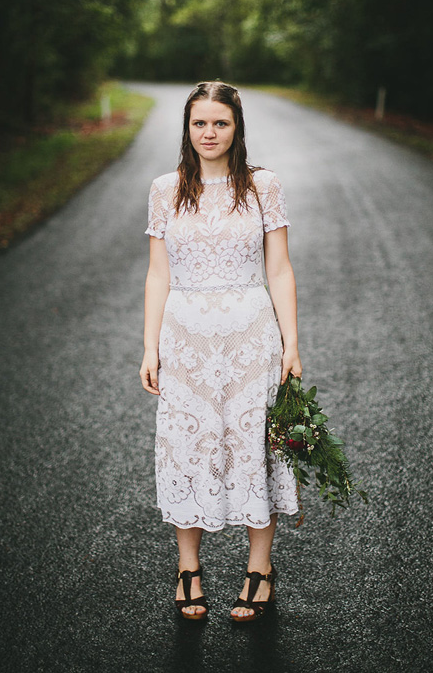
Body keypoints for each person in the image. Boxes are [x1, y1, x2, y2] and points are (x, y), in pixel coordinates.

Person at [140, 81, 302, 623]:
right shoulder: (166, 190)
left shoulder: (262, 186)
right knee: (187, 446)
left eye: (221, 123)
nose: (209, 133)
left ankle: (260, 569)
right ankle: (189, 568)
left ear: (237, 128)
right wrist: (149, 346)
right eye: (199, 123)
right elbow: (158, 272)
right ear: (186, 129)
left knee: (254, 445)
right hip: (184, 338)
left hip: (250, 336)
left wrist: (291, 343)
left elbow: (278, 268)